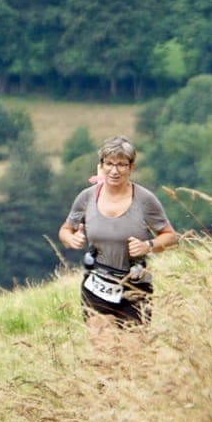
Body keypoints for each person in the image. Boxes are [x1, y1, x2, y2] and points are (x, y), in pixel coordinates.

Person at [58, 136, 178, 350]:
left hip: (135, 284)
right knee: (104, 354)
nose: (114, 170)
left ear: (131, 167)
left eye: (121, 164)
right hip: (97, 283)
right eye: (109, 164)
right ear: (101, 166)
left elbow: (170, 236)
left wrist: (148, 246)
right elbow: (65, 230)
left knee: (133, 357)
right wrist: (71, 239)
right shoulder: (86, 198)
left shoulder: (145, 199)